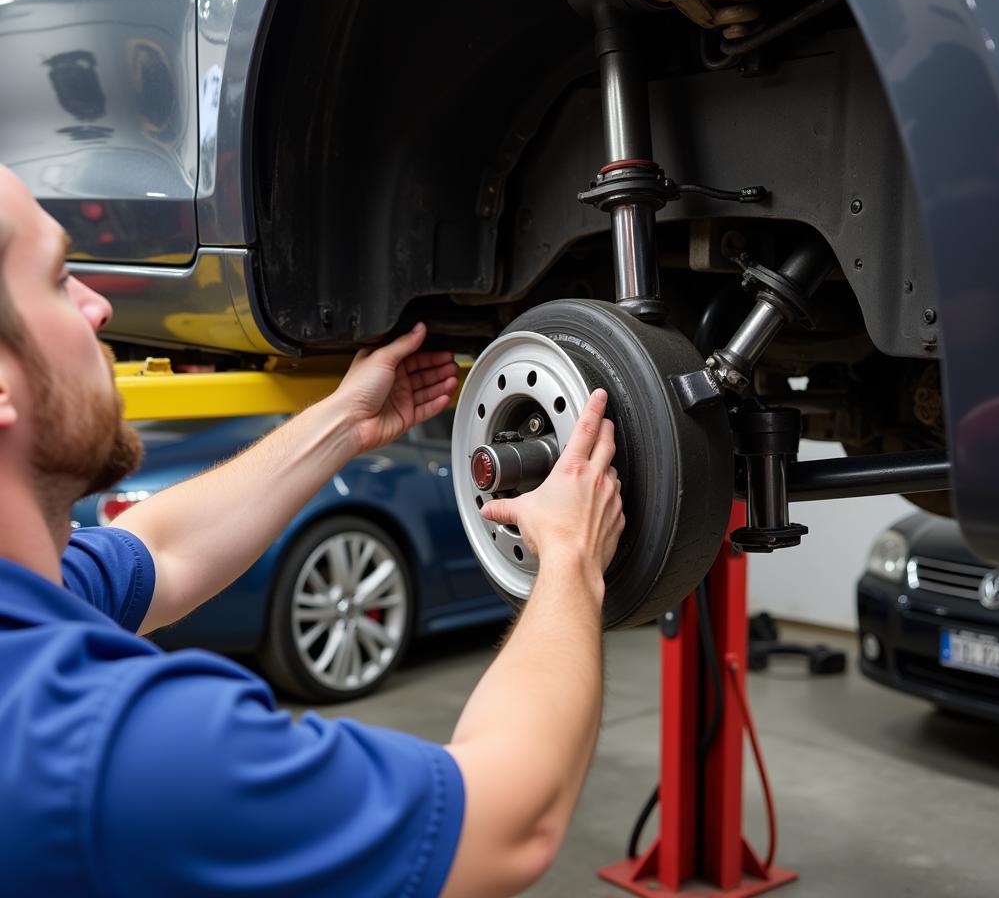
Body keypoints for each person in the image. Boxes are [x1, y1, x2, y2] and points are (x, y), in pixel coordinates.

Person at [0, 163, 625, 898]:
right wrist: (570, 559)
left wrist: (341, 424)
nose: (96, 305)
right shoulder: (107, 750)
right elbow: (508, 824)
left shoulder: (37, 611)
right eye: (57, 277)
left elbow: (164, 548)